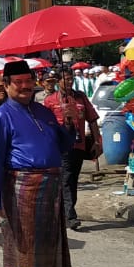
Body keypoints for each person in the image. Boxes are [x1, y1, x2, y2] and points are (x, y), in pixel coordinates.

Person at [0, 60, 76, 267]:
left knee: (36, 250)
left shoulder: (44, 111)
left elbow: (63, 146)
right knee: (28, 251)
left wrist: (70, 122)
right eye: (18, 83)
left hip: (50, 187)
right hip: (20, 187)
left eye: (28, 81)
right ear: (7, 85)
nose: (25, 87)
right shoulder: (1, 117)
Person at [43, 68, 101, 231]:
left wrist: (97, 141)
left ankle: (64, 210)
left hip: (79, 145)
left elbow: (93, 119)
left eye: (71, 79)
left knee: (73, 179)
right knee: (66, 178)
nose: (69, 82)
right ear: (59, 81)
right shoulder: (50, 100)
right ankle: (70, 215)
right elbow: (45, 125)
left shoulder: (80, 97)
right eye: (66, 79)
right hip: (61, 146)